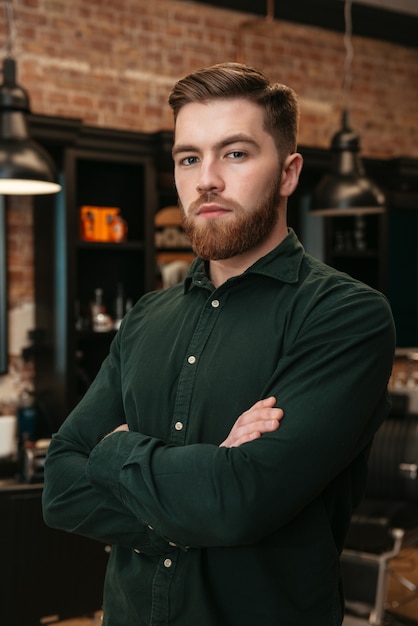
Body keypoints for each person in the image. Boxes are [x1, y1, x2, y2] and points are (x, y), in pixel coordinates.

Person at [42, 62, 395, 626]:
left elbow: (239, 502)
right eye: (188, 158)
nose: (206, 178)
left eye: (234, 153)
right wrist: (200, 488)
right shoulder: (145, 319)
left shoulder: (344, 315)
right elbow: (59, 486)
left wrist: (115, 452)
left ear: (288, 171)